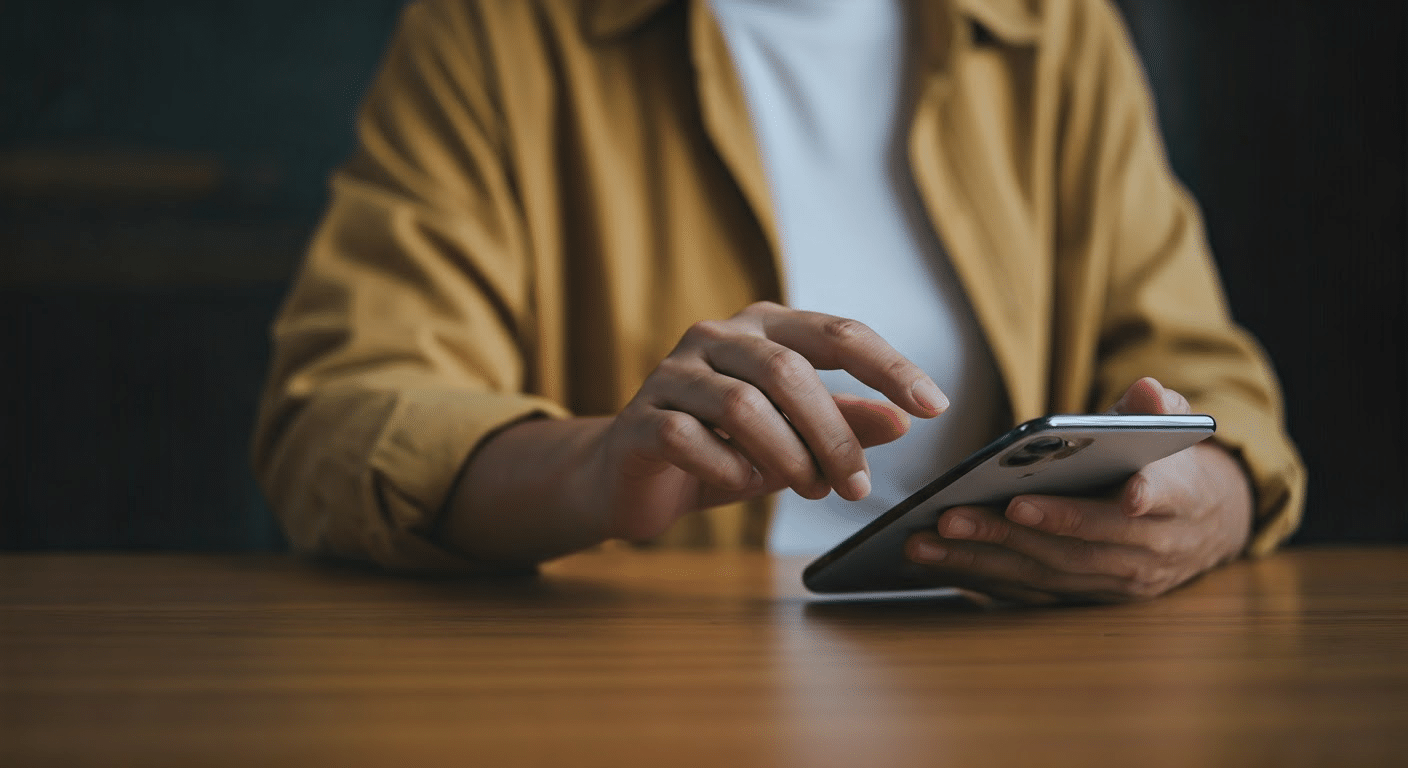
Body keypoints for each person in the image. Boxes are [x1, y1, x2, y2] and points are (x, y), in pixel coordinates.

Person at [252, 0, 1306, 603]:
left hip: (1017, 687)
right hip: (639, 701)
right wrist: (592, 468)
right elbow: (340, 420)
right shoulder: (499, 33)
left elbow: (1203, 376)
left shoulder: (1055, 34)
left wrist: (1207, 497)